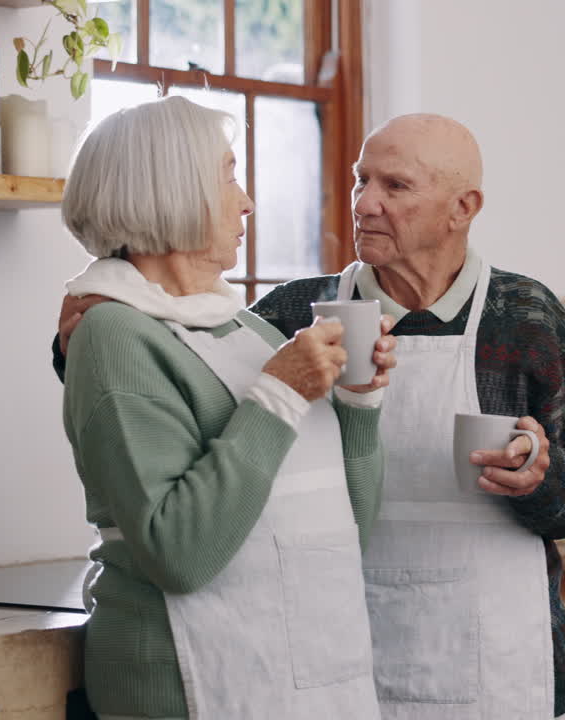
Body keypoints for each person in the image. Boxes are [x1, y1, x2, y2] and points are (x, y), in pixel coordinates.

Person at [55, 112, 565, 719]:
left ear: (463, 208)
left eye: (394, 186)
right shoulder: (289, 313)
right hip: (333, 652)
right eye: (360, 180)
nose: (365, 203)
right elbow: (168, 383)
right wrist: (75, 342)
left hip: (494, 660)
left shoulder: (526, 317)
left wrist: (542, 477)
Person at [59, 96, 397, 720]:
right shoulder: (112, 335)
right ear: (170, 189)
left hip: (313, 680)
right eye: (228, 176)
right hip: (190, 688)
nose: (247, 203)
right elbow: (178, 554)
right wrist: (281, 393)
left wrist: (358, 401)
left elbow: (350, 529)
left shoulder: (248, 331)